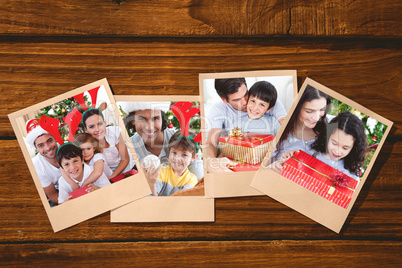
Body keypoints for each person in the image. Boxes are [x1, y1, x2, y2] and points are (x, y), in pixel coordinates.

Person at [205, 78, 287, 172]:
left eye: (245, 95)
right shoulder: (221, 111)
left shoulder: (267, 97)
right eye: (237, 99)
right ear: (224, 100)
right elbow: (213, 143)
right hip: (242, 164)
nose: (244, 102)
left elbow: (286, 134)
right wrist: (212, 162)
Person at [121, 102, 204, 180]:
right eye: (142, 119)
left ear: (162, 118)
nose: (149, 127)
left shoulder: (184, 140)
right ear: (133, 121)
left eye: (155, 118)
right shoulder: (129, 147)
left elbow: (200, 180)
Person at [268, 85, 332, 173]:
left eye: (322, 109)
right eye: (309, 111)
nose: (317, 118)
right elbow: (261, 170)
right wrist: (272, 169)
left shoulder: (333, 125)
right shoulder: (278, 131)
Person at [82, 108, 135, 178]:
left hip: (130, 167)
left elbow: (125, 159)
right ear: (86, 130)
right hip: (111, 176)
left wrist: (113, 176)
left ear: (104, 123)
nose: (97, 129)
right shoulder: (87, 146)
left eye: (100, 124)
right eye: (91, 127)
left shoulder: (114, 132)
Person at [144, 131, 199, 196]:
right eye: (174, 153)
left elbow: (180, 202)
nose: (177, 158)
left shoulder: (191, 180)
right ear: (169, 151)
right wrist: (152, 184)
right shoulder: (160, 171)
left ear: (193, 157)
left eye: (184, 155)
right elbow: (153, 197)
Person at [25, 118, 61, 206]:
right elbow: (53, 195)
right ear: (36, 149)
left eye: (49, 141)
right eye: (41, 145)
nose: (48, 148)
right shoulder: (36, 166)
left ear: (55, 138)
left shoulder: (68, 147)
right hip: (59, 193)